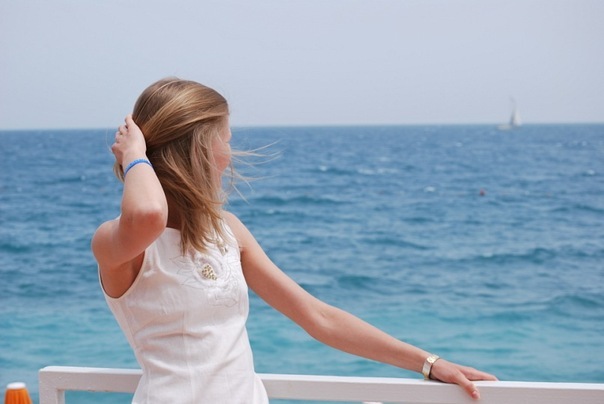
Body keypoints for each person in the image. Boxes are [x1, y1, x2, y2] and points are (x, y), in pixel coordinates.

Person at [92, 77, 497, 403]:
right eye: (225, 141)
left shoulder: (227, 231)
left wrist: (429, 363)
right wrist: (135, 154)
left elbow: (318, 317)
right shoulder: (117, 243)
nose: (230, 157)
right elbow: (149, 215)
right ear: (197, 151)